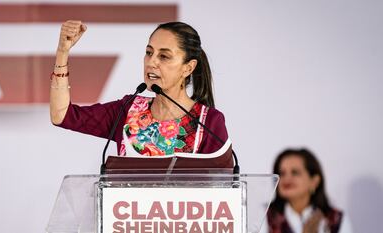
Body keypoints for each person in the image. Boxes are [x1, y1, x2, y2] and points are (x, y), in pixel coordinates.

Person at [49, 20, 233, 169]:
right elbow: (62, 115)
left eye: (164, 56)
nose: (151, 62)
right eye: (149, 53)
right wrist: (62, 52)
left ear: (188, 68)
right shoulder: (127, 109)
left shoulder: (208, 123)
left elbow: (223, 192)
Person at [260, 148, 352, 233]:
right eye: (282, 173)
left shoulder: (336, 220)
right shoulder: (264, 216)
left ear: (314, 181)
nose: (286, 179)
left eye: (295, 172)